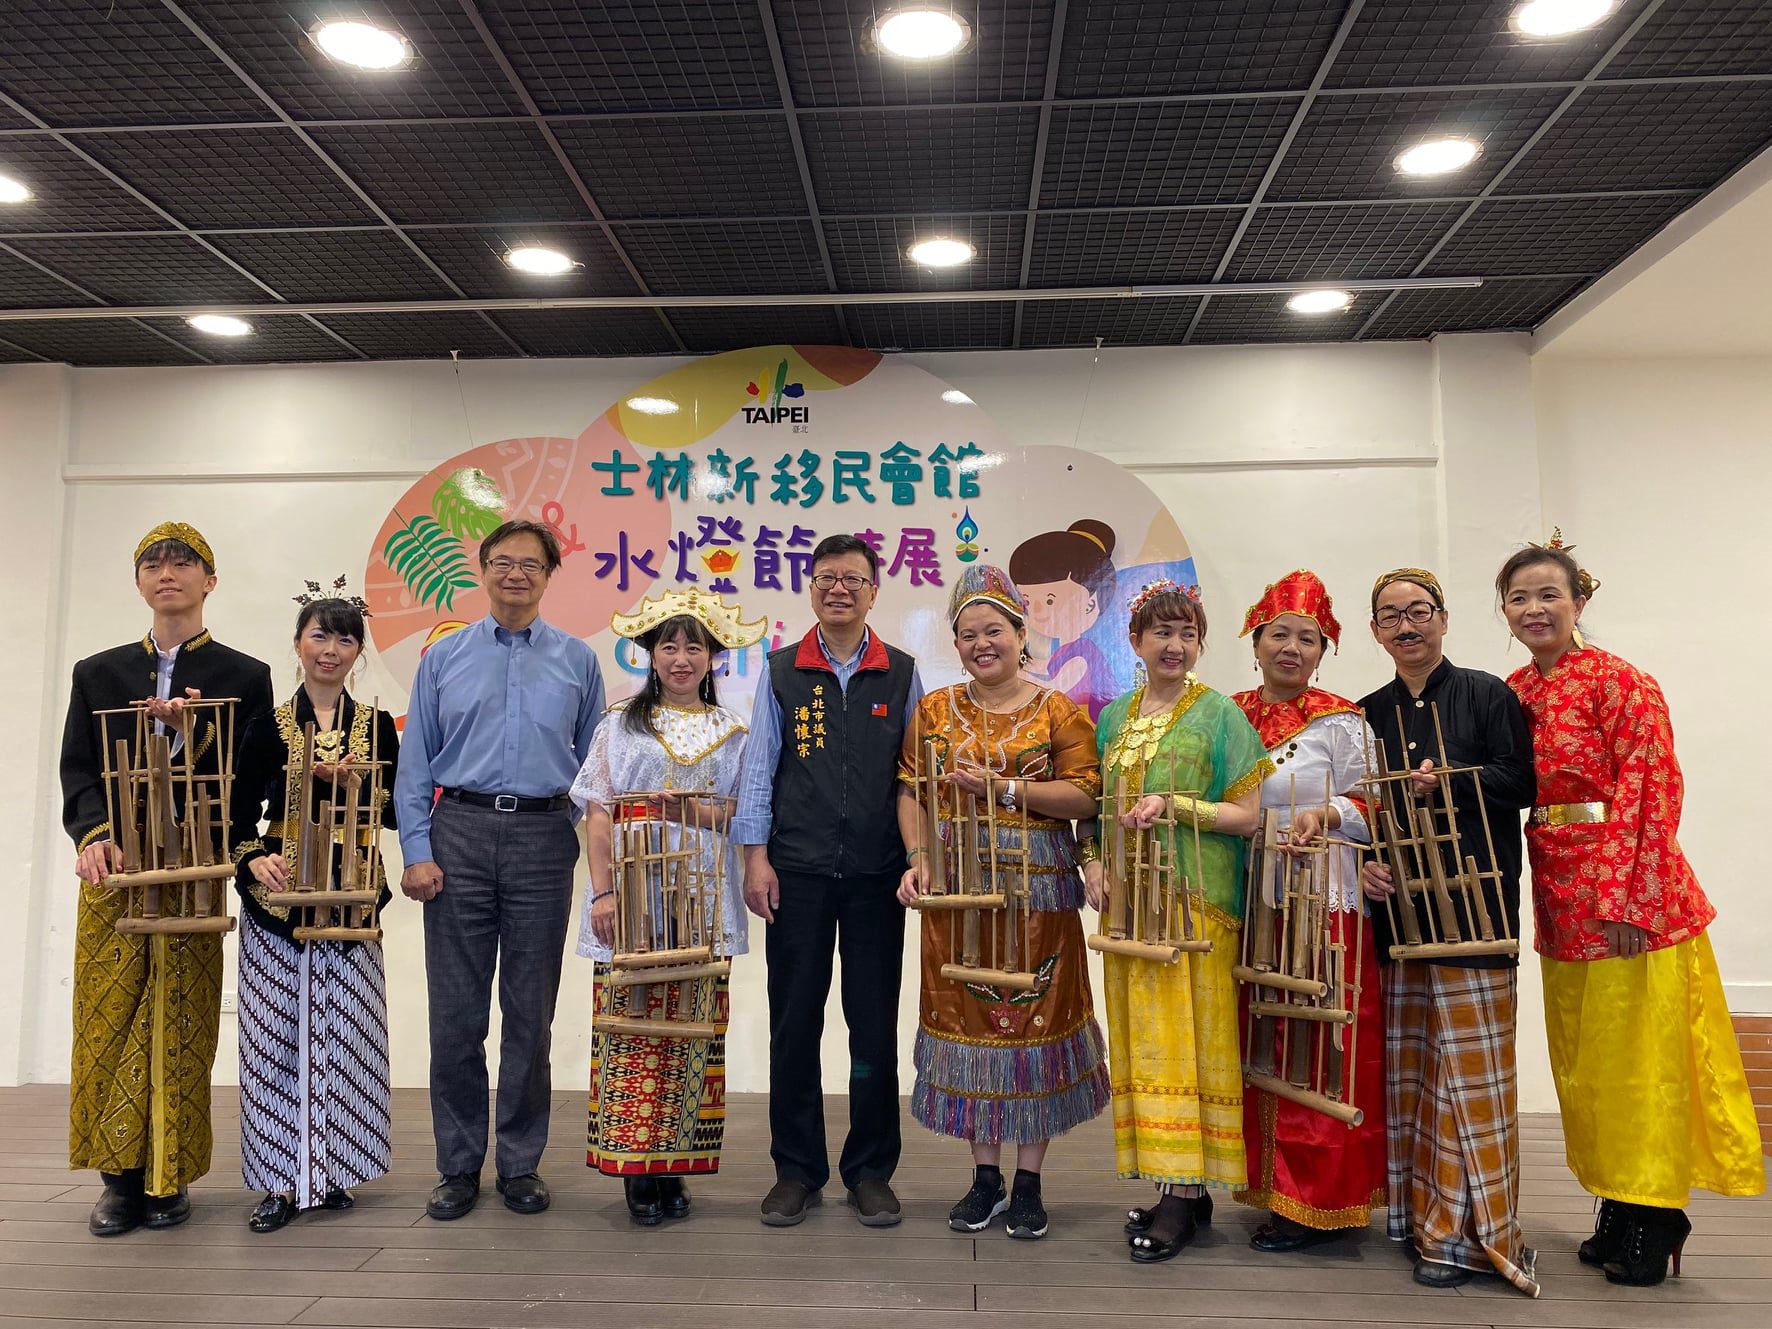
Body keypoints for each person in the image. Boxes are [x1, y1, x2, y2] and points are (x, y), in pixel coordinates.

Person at [1498, 536, 1764, 1286]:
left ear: (1579, 601)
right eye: (1518, 597)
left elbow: (1652, 790)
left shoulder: (1621, 682)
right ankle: (1618, 1198)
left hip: (1633, 906)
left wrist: (1626, 899)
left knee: (1643, 1068)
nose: (1534, 608)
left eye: (1548, 593)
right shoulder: (1519, 689)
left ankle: (1657, 1211)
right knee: (1588, 1068)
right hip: (1559, 900)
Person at [59, 522, 274, 1237]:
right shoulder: (98, 672)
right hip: (117, 873)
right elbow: (78, 771)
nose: (167, 570)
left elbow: (248, 783)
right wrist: (94, 836)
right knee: (108, 1020)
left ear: (209, 581)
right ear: (139, 582)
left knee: (180, 1020)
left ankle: (168, 1175)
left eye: (183, 561)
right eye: (153, 561)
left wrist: (189, 736)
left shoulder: (245, 676)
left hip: (194, 871)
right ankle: (117, 1181)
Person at [395, 519, 605, 1221]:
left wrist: (585, 846)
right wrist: (418, 850)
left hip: (545, 838)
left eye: (531, 565)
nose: (516, 574)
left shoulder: (578, 661)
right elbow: (415, 764)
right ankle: (457, 1166)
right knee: (455, 1015)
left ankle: (519, 1162)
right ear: (481, 570)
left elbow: (595, 772)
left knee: (529, 1013)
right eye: (503, 562)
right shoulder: (443, 657)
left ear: (550, 576)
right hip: (457, 834)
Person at [895, 565, 1111, 1240]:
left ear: (1022, 634)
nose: (980, 643)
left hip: (1037, 892)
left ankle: (1029, 1181)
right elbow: (911, 789)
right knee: (970, 1018)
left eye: (994, 630)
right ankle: (984, 1176)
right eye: (967, 634)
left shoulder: (1059, 711)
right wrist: (919, 856)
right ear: (955, 644)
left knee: (1033, 1022)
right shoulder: (932, 711)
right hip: (959, 891)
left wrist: (1009, 790)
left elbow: (1084, 797)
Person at [734, 533, 923, 1228]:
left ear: (874, 591)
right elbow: (760, 768)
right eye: (825, 578)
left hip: (878, 876)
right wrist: (755, 856)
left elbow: (915, 779)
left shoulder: (901, 672)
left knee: (872, 1027)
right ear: (810, 589)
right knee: (794, 1023)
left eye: (852, 579)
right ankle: (797, 1169)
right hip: (799, 872)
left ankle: (870, 1168)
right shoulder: (781, 670)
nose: (838, 588)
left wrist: (917, 856)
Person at [1358, 567, 1538, 1296]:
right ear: (1375, 631)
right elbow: (1355, 809)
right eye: (1392, 616)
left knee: (1473, 1080)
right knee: (1413, 1078)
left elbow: (1521, 782)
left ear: (1443, 618)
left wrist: (1451, 779)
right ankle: (1417, 1222)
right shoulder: (1364, 712)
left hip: (1478, 913)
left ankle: (1474, 1233)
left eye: (1419, 611)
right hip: (1401, 919)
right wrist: (1368, 863)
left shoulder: (1491, 694)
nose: (1408, 626)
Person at [1081, 580, 1270, 1264]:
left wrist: (1175, 804)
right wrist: (1095, 862)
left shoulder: (1220, 714)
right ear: (1135, 641)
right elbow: (1098, 807)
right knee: (1146, 1046)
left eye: (1188, 633)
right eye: (1162, 632)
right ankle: (1177, 1186)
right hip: (1131, 906)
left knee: (1191, 1044)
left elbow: (1249, 816)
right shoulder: (1113, 719)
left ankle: (1182, 1199)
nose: (1176, 644)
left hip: (1197, 905)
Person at [570, 589, 762, 1225]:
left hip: (704, 896)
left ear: (714, 658)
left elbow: (744, 814)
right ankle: (633, 1168)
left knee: (694, 1031)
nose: (682, 658)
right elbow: (598, 812)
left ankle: (677, 1166)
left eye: (695, 646)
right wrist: (601, 892)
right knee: (630, 1025)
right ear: (649, 655)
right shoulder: (618, 723)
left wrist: (692, 810)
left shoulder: (736, 731)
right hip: (632, 892)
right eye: (669, 646)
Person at [228, 591, 401, 1233]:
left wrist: (361, 786)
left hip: (352, 892)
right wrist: (252, 861)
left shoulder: (377, 726)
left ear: (358, 654)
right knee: (274, 1035)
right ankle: (277, 1179)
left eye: (345, 640)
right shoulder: (266, 724)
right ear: (298, 643)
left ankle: (332, 1172)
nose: (331, 651)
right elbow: (238, 819)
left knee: (345, 1034)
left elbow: (388, 812)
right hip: (279, 897)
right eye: (319, 637)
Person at [1229, 571, 1388, 1251]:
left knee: (1320, 1046)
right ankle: (1268, 1184)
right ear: (1256, 640)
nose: (1293, 648)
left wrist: (1326, 812)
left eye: (1308, 638)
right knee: (1263, 1036)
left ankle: (1318, 1198)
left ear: (1323, 650)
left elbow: (1375, 806)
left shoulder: (1341, 717)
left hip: (1325, 898)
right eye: (1280, 634)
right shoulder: (1227, 712)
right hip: (1255, 895)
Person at [1010, 520, 1118, 719]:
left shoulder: (1084, 653)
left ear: (1090, 604)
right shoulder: (1063, 650)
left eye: (1050, 601)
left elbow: (1053, 689)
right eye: (1028, 602)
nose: (1037, 611)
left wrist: (1013, 676)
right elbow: (1040, 665)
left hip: (1086, 732)